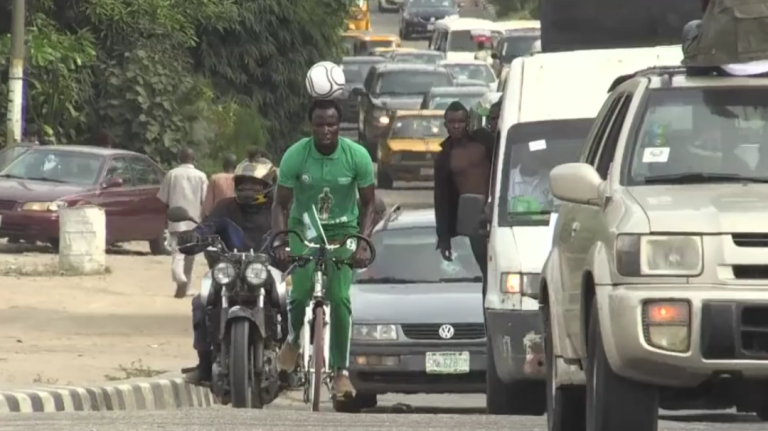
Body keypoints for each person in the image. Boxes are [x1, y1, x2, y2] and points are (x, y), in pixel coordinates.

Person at [272, 98, 377, 400]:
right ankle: (292, 340)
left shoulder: (357, 156)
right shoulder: (296, 155)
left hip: (343, 231)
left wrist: (361, 242)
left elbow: (370, 203)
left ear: (339, 125)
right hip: (304, 228)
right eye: (319, 124)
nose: (326, 130)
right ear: (311, 126)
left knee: (340, 298)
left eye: (331, 124)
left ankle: (340, 372)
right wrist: (281, 240)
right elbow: (280, 204)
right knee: (301, 293)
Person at [180, 158, 279, 385]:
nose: (248, 189)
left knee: (291, 301)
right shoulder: (225, 207)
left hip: (269, 271)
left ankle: (291, 358)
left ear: (269, 184)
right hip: (230, 271)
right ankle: (205, 364)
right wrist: (195, 237)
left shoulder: (279, 210)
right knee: (200, 302)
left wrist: (293, 247)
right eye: (243, 183)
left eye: (255, 184)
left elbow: (295, 230)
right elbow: (207, 227)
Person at [433, 101, 493, 291]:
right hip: (474, 221)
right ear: (446, 125)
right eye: (452, 122)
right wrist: (443, 238)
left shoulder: (483, 141)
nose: (457, 126)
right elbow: (441, 198)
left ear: (467, 121)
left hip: (496, 212)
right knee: (487, 273)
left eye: (460, 121)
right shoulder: (445, 156)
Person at [158, 147, 209, 298]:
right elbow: (205, 201)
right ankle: (186, 286)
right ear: (193, 159)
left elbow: (163, 199)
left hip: (176, 219)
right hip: (194, 221)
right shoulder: (201, 176)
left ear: (179, 159)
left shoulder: (172, 174)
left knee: (177, 253)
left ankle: (180, 279)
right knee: (190, 256)